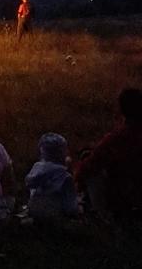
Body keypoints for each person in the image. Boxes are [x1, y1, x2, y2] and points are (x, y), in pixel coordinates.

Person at [75, 87, 142, 220]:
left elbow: (87, 168)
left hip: (123, 201)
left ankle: (101, 214)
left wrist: (77, 178)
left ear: (121, 110)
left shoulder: (118, 138)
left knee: (90, 166)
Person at [24, 132, 79, 221]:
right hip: (58, 220)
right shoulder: (65, 176)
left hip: (35, 216)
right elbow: (71, 208)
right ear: (62, 152)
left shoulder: (36, 168)